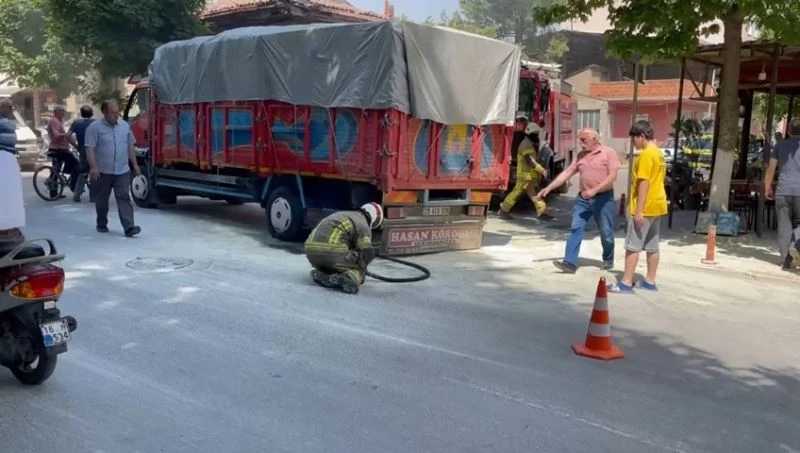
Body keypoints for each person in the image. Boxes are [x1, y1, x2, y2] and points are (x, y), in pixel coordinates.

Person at [536, 127, 620, 273]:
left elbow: (612, 176)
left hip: (603, 199)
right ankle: (569, 263)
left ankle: (608, 257)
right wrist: (549, 188)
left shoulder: (608, 153)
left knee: (606, 232)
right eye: (579, 140)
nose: (580, 143)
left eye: (583, 140)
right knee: (576, 228)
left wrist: (595, 190)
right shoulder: (580, 156)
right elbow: (567, 173)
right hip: (583, 200)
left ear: (595, 140)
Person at [610, 120, 668, 293]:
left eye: (634, 139)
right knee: (652, 246)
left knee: (632, 246)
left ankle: (626, 282)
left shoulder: (645, 156)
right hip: (658, 205)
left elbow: (644, 182)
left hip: (645, 206)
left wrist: (639, 210)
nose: (633, 143)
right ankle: (650, 281)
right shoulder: (658, 153)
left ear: (642, 136)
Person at [85, 100, 142, 237]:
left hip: (122, 170)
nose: (116, 115)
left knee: (124, 197)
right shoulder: (95, 128)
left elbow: (130, 146)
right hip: (102, 171)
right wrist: (93, 167)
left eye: (117, 112)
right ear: (104, 112)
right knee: (102, 199)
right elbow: (90, 148)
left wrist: (135, 164)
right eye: (112, 113)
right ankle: (102, 223)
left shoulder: (124, 126)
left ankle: (129, 227)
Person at [305, 203, 383, 294]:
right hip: (331, 253)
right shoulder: (363, 224)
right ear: (374, 219)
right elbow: (366, 252)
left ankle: (325, 273)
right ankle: (349, 278)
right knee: (361, 265)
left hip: (311, 253)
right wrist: (370, 254)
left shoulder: (344, 215)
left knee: (342, 261)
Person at [765, 118, 800, 270]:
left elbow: (771, 168)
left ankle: (786, 260)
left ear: (789, 131)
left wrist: (767, 187)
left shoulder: (780, 146)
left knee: (784, 225)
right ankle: (795, 246)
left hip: (783, 190)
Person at [498, 121, 551, 220]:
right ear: (530, 134)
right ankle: (503, 211)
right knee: (515, 194)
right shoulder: (525, 144)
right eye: (535, 134)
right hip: (524, 176)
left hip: (529, 177)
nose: (537, 136)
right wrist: (542, 170)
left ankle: (543, 213)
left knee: (535, 195)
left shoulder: (529, 144)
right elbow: (530, 161)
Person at [0, 99, 26, 246]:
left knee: (11, 194)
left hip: (9, 158)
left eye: (12, 107)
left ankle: (11, 229)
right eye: (9, 107)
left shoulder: (9, 121)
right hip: (2, 157)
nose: (11, 109)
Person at [47, 105, 79, 197]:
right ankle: (73, 186)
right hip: (58, 149)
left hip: (61, 148)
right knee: (76, 164)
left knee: (55, 171)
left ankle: (54, 193)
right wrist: (67, 134)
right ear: (56, 111)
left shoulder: (59, 121)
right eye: (62, 111)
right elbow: (56, 135)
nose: (64, 113)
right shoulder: (54, 120)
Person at [67, 105, 96, 202]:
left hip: (83, 149)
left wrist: (75, 146)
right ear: (91, 113)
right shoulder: (96, 123)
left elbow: (67, 136)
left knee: (83, 172)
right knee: (94, 171)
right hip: (95, 150)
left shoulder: (76, 123)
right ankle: (93, 196)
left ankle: (77, 194)